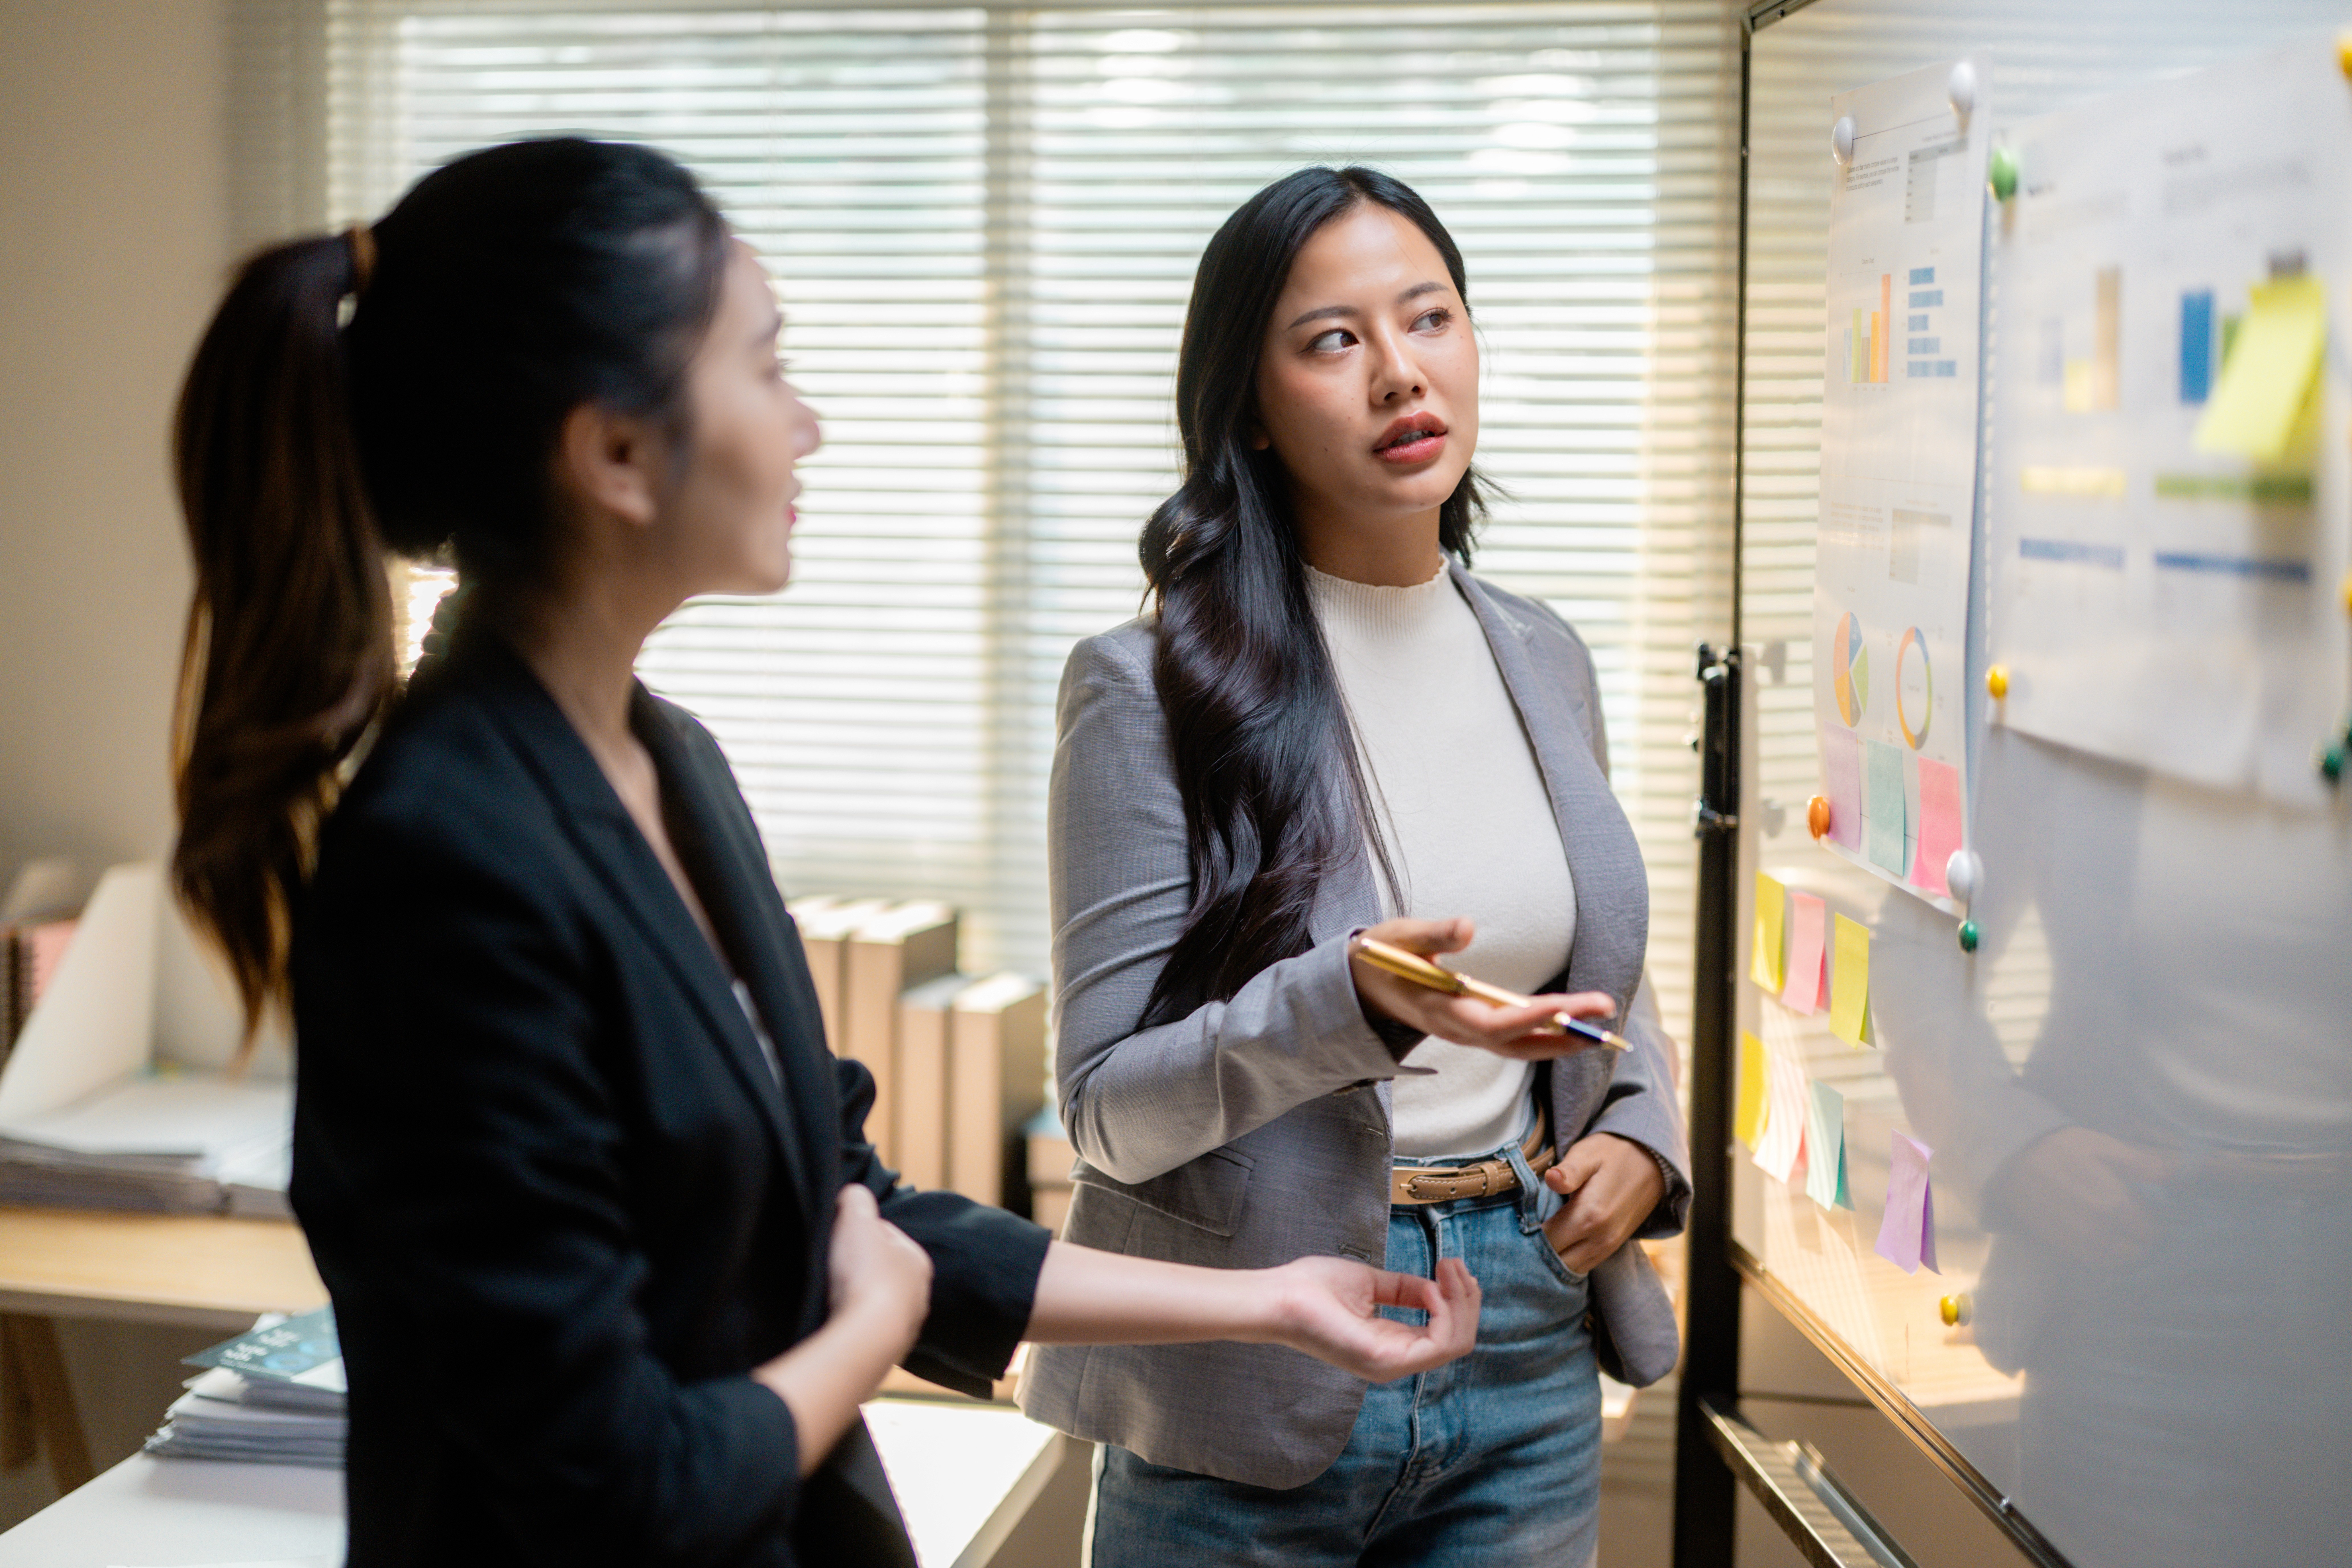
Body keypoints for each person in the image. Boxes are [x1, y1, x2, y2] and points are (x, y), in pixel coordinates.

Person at [166, 138, 1482, 1568]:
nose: (809, 425)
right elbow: (616, 1480)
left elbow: (843, 1200)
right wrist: (863, 1328)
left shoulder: (671, 766)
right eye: (766, 367)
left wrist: (1269, 1298)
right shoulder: (443, 858)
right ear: (613, 449)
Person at [1017, 167, 1691, 1566]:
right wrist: (1350, 1005)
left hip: (1525, 1321)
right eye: (1333, 340)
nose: (1400, 373)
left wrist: (1639, 1125)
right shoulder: (1146, 691)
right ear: (1251, 411)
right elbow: (1104, 1113)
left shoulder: (1544, 653)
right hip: (1253, 1342)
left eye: (1429, 318)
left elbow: (1587, 969)